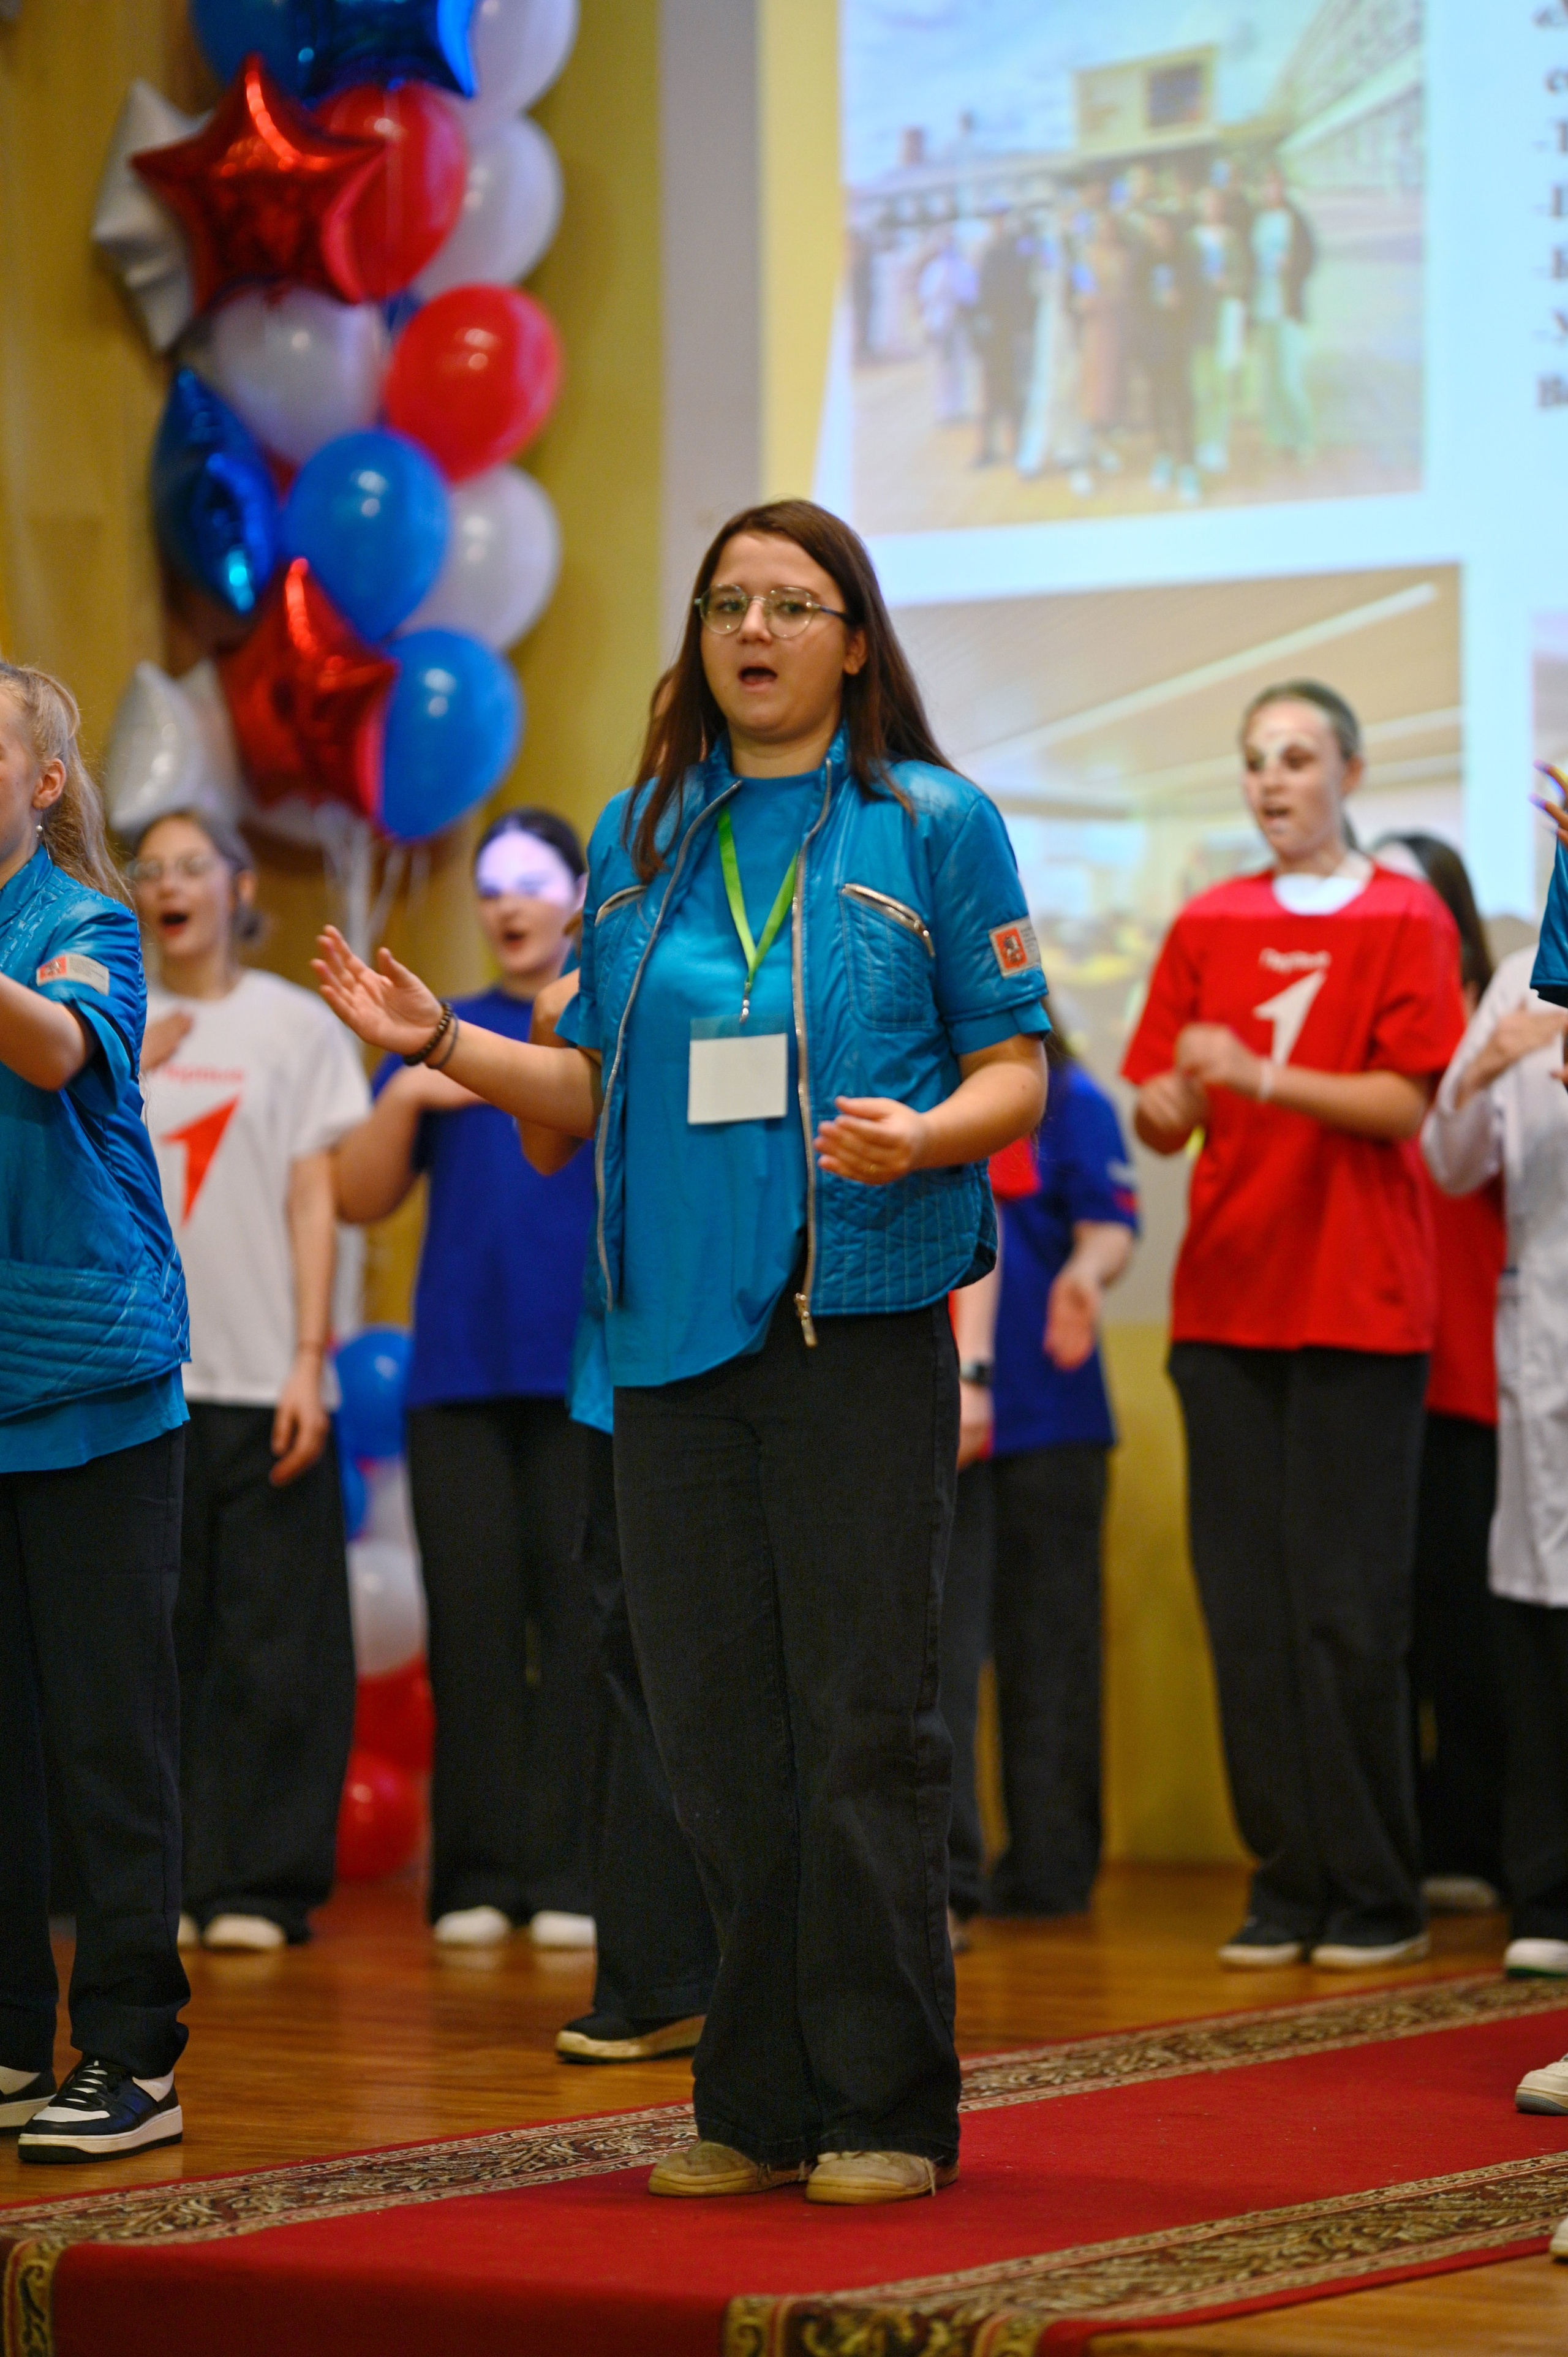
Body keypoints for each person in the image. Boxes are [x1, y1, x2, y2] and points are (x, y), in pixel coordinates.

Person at [314, 496, 1049, 2205]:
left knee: (861, 1721)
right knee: (714, 1733)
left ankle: (882, 2105)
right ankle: (755, 2091)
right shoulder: (645, 838)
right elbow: (586, 1100)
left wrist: (927, 1139)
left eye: (796, 603)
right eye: (729, 601)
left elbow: (1011, 1063)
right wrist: (446, 1043)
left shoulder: (929, 822)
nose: (757, 630)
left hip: (852, 1321)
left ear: (855, 639)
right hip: (660, 1349)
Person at [1123, 678, 1465, 1970]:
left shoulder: (1404, 915)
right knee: (1247, 1608)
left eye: (1296, 758)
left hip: (1357, 1309)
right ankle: (1285, 1882)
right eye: (1254, 761)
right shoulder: (1207, 920)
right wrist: (1167, 1106)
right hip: (1225, 1307)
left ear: (1350, 771)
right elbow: (1165, 1095)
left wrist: (1258, 1074)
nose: (1271, 782)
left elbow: (1402, 1104)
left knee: (1345, 1610)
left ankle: (1375, 1891)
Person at [333, 811, 601, 1954]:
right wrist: (405, 1090)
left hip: (585, 1369)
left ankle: (579, 1874)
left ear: (581, 890)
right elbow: (356, 1196)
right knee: (477, 1634)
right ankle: (478, 1875)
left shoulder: (598, 1021)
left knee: (584, 1629)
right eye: (493, 884)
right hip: (456, 1378)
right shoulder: (432, 1026)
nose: (510, 901)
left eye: (535, 880)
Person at [0, 662, 191, 2162]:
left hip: (92, 1392)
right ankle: (8, 2040)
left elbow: (58, 1049)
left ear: (45, 782)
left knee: (106, 1742)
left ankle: (129, 2046)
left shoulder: (86, 924)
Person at [129, 809, 368, 1953]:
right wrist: (124, 1068)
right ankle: (154, 1879)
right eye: (151, 869)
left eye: (190, 865)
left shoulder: (294, 1026)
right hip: (138, 1384)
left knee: (275, 1647)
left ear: (235, 885)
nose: (169, 885)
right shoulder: (105, 1019)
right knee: (150, 1650)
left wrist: (309, 1355)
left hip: (261, 1372)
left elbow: (314, 1196)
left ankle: (261, 1886)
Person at [522, 970, 719, 2065]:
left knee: (749, 1671)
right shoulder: (615, 912)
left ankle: (765, 1971)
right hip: (622, 1364)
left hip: (762, 1349)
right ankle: (654, 1977)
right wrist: (535, 1024)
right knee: (628, 1661)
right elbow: (549, 1143)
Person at [941, 1041, 1139, 1924]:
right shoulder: (913, 1078)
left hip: (1051, 1414)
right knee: (941, 1655)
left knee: (1050, 1652)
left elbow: (1108, 1221)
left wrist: (1085, 1276)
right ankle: (948, 1875)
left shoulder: (1074, 1098)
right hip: (933, 1425)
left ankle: (1052, 1870)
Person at [1374, 834, 1506, 1915]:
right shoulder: (1358, 1042)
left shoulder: (1499, 1022)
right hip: (1375, 1363)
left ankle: (1483, 1830)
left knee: (1475, 1625)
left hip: (1483, 1368)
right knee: (1386, 1619)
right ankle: (1408, 1832)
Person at [1248, 165, 1316, 464]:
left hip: (1287, 310)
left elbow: (1313, 255)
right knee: (1270, 380)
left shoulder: (1296, 219)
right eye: (1265, 185)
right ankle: (1279, 438)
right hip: (1262, 311)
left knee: (1290, 379)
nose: (1270, 191)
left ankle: (1304, 440)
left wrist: (1294, 264)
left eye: (1275, 185)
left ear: (1283, 188)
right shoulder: (1255, 220)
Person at [1189, 182, 1248, 475]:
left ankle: (1219, 444)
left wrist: (1230, 286)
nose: (1211, 209)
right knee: (1202, 390)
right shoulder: (1191, 240)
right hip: (1198, 326)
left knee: (1222, 387)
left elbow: (1243, 275)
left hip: (1224, 320)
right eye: (1206, 204)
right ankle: (1203, 442)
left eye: (1216, 204)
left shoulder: (1232, 239)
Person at [972, 210, 1036, 466]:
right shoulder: (988, 253)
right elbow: (981, 295)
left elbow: (1023, 295)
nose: (997, 225)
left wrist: (1023, 330)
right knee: (990, 394)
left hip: (1010, 335)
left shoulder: (1016, 254)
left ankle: (1018, 446)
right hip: (993, 336)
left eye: (1001, 221)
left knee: (1013, 394)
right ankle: (987, 449)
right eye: (994, 221)